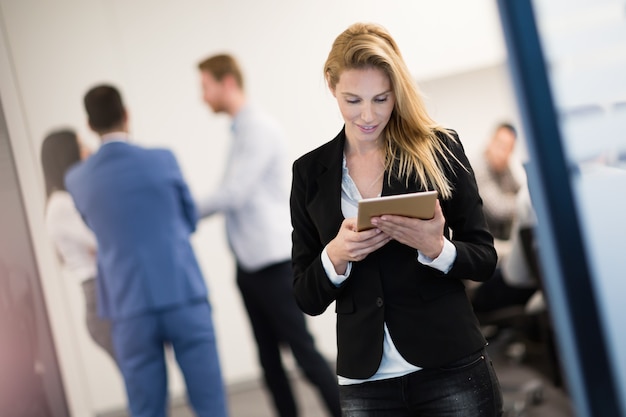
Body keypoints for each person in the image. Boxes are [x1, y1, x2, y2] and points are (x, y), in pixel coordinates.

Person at [290, 23, 503, 416]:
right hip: (366, 383)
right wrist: (334, 256)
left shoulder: (438, 148)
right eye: (352, 100)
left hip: (448, 364)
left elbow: (485, 259)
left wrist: (436, 248)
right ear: (330, 85)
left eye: (381, 99)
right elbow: (305, 296)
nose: (368, 115)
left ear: (396, 91)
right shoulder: (309, 173)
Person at [65, 84, 228, 417]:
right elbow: (188, 218)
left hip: (128, 305)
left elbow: (93, 227)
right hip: (182, 292)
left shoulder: (78, 179)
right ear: (127, 114)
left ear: (89, 125)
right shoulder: (162, 159)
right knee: (210, 403)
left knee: (145, 409)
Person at [196, 54, 341, 417]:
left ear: (227, 82)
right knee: (269, 362)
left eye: (205, 86)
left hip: (272, 264)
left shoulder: (258, 128)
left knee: (303, 352)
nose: (202, 96)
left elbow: (235, 192)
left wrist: (184, 209)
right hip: (250, 265)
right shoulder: (241, 131)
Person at [40, 128, 117, 363]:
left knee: (142, 379)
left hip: (109, 293)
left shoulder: (73, 199)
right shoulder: (61, 205)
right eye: (81, 146)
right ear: (67, 156)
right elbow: (104, 240)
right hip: (101, 298)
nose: (88, 151)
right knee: (141, 381)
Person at [473, 122, 521, 241]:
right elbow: (498, 209)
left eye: (508, 149)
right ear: (491, 142)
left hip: (502, 237)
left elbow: (520, 191)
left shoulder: (504, 167)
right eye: (500, 145)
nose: (502, 153)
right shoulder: (478, 167)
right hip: (482, 241)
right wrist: (518, 202)